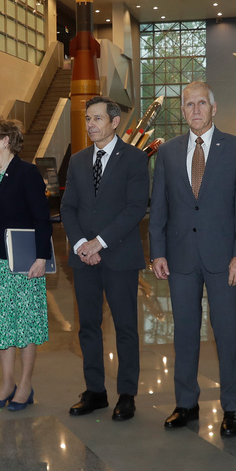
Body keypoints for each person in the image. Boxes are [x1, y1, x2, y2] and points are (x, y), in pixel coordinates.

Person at [149, 80, 236, 432]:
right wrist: (157, 251)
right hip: (180, 258)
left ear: (214, 108)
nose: (195, 110)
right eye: (189, 104)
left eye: (201, 103)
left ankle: (232, 408)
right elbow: (159, 206)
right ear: (182, 110)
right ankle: (185, 403)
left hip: (225, 260)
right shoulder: (168, 152)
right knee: (184, 334)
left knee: (227, 334)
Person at [61, 96, 149, 421]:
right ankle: (95, 391)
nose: (90, 124)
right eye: (88, 119)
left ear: (114, 122)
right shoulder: (78, 160)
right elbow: (68, 207)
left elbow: (136, 208)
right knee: (88, 326)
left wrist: (99, 242)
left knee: (125, 327)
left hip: (120, 256)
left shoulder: (135, 159)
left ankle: (127, 394)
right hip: (84, 258)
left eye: (97, 118)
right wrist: (81, 244)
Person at [0, 118, 52, 412]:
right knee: (2, 325)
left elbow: (42, 218)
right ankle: (7, 383)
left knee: (25, 324)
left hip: (23, 264)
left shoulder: (27, 173)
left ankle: (25, 384)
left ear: (6, 141)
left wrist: (42, 258)